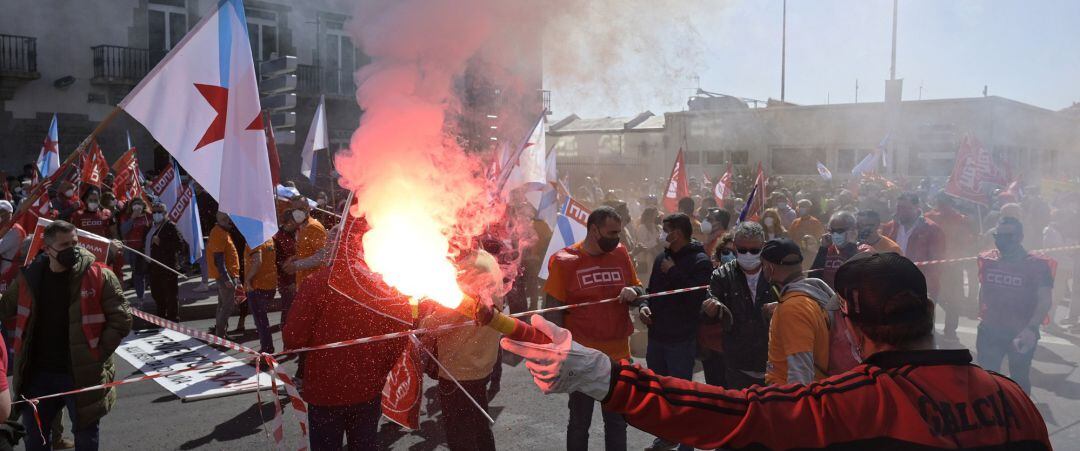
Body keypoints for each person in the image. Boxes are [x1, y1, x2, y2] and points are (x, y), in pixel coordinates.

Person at [503, 252, 1052, 450]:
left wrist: (604, 374)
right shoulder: (1012, 398)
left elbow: (731, 416)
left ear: (851, 320)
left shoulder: (861, 399)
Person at [1, 220, 132, 451]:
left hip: (81, 374)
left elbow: (122, 319)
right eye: (65, 245)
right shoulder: (30, 276)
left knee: (86, 439)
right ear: (47, 248)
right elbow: (5, 307)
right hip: (38, 376)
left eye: (75, 243)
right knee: (36, 439)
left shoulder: (98, 275)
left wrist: (97, 354)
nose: (73, 250)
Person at [543, 206, 643, 451]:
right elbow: (552, 313)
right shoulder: (564, 260)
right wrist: (555, 357)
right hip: (582, 360)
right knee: (579, 422)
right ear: (594, 229)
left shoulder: (620, 253)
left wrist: (636, 293)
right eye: (611, 232)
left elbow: (639, 289)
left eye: (619, 232)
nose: (616, 238)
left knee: (617, 422)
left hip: (618, 357)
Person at [283, 266, 410, 451]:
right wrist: (380, 371)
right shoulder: (385, 283)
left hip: (325, 390)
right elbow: (400, 336)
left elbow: (293, 337)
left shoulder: (318, 281)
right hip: (368, 387)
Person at [637, 213, 711, 451]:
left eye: (665, 229)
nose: (662, 233)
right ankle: (667, 436)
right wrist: (644, 306)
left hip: (680, 340)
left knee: (681, 395)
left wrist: (674, 272)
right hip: (657, 337)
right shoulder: (662, 258)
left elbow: (694, 299)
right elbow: (651, 290)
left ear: (676, 233)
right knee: (660, 393)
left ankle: (686, 444)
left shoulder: (700, 261)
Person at [419, 250, 503, 451]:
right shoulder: (487, 259)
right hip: (482, 362)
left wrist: (424, 320)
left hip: (458, 369)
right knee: (480, 429)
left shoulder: (466, 271)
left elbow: (438, 322)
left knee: (461, 436)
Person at [976, 217, 1053, 394]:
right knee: (986, 379)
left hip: (1021, 331)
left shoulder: (1037, 265)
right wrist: (982, 316)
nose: (1001, 240)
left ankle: (1022, 416)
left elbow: (1045, 299)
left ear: (1020, 237)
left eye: (1007, 236)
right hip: (990, 330)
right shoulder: (988, 260)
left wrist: (1031, 328)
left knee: (1019, 379)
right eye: (998, 235)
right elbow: (983, 287)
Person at [699, 221, 776, 389]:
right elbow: (707, 312)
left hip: (774, 362)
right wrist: (711, 309)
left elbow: (794, 297)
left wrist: (782, 306)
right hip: (738, 365)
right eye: (742, 250)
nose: (748, 255)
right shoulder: (722, 275)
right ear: (735, 246)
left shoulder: (776, 271)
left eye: (754, 250)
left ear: (763, 247)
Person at [760, 238, 834, 385]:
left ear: (770, 268)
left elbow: (801, 372)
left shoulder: (793, 308)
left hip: (789, 397)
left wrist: (794, 405)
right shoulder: (811, 295)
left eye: (762, 265)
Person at [881, 192, 946, 332]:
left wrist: (926, 286)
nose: (899, 212)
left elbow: (937, 263)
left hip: (920, 288)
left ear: (917, 207)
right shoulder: (889, 228)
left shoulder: (932, 230)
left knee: (921, 329)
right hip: (892, 286)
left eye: (904, 208)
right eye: (898, 207)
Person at [925, 193, 976, 341]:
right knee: (954, 298)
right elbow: (967, 240)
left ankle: (929, 327)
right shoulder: (960, 218)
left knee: (932, 296)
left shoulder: (929, 217)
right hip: (954, 263)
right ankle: (950, 330)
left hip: (934, 264)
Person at [145, 202, 185, 322]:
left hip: (167, 266)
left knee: (170, 295)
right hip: (153, 266)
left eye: (159, 212)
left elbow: (180, 245)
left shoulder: (170, 226)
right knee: (157, 294)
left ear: (165, 213)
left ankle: (173, 319)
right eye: (154, 212)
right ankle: (161, 319)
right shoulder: (150, 227)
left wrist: (162, 243)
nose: (156, 214)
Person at [207, 212, 240, 337]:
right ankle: (220, 335)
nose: (229, 221)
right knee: (226, 307)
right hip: (225, 276)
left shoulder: (221, 231)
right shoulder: (219, 233)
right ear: (221, 219)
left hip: (226, 275)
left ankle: (221, 333)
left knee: (222, 305)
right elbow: (218, 259)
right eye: (226, 219)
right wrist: (226, 278)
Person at [243, 239, 278, 354]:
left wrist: (247, 279)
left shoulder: (254, 240)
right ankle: (268, 347)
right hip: (270, 283)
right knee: (263, 319)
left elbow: (257, 261)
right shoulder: (268, 238)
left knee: (260, 320)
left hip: (257, 285)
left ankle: (266, 349)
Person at [810, 211, 862, 287]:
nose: (836, 234)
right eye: (832, 231)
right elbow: (813, 278)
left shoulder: (863, 250)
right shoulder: (826, 250)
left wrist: (851, 245)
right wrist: (823, 249)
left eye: (840, 231)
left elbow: (856, 277)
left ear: (853, 230)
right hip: (827, 296)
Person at [283, 206, 327, 290]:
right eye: (295, 208)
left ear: (307, 209)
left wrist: (296, 265)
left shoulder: (313, 227)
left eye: (300, 208)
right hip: (303, 281)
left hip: (313, 282)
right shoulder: (301, 227)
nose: (297, 212)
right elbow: (306, 251)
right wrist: (294, 258)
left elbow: (322, 256)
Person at [119, 198, 152, 302]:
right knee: (138, 275)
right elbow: (123, 231)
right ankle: (140, 298)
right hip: (134, 250)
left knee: (150, 273)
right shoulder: (126, 217)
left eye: (139, 204)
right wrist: (132, 218)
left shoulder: (149, 216)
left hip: (148, 249)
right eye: (135, 204)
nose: (137, 206)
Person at [273, 210, 299, 326]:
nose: (297, 224)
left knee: (294, 310)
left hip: (296, 277)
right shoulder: (277, 238)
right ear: (288, 222)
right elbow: (279, 263)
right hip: (286, 281)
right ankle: (286, 331)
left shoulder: (295, 234)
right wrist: (289, 282)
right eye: (294, 222)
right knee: (288, 309)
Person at [0, 201, 27, 292]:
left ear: (9, 213)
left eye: (2, 212)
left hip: (9, 268)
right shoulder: (4, 227)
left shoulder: (15, 231)